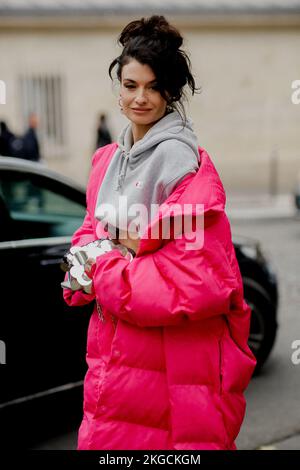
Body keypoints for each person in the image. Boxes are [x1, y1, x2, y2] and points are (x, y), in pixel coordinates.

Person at [62, 15, 256, 450]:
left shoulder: (185, 168)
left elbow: (192, 281)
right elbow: (88, 232)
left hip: (172, 364)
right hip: (112, 355)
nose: (140, 98)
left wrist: (105, 264)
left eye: (153, 87)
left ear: (170, 91)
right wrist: (93, 261)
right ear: (119, 87)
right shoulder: (106, 161)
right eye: (131, 86)